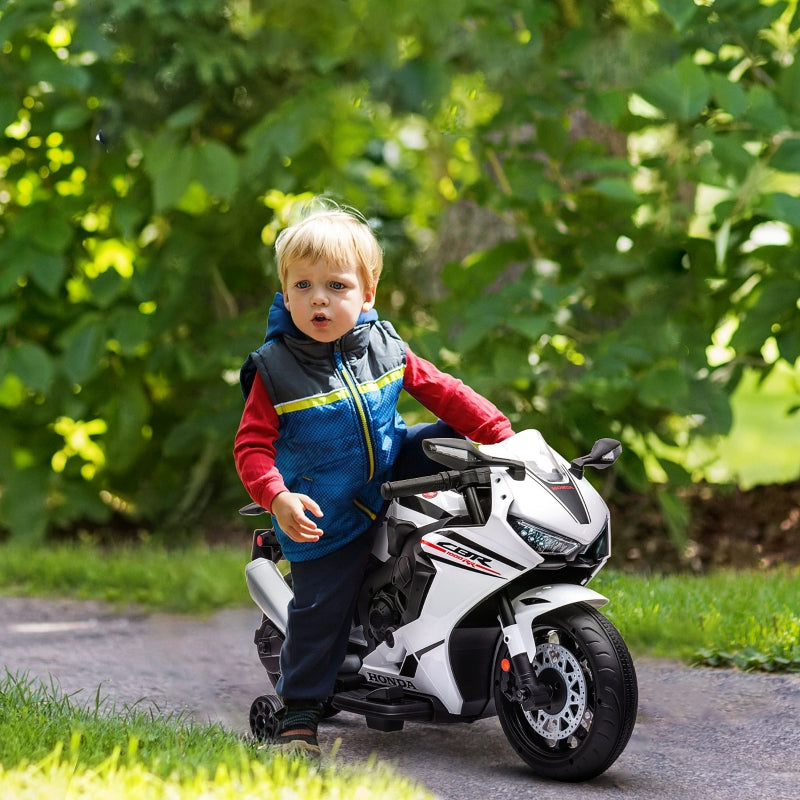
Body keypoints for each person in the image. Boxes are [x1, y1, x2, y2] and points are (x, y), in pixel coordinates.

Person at [234, 203, 513, 759]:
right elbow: (251, 447)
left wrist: (499, 433)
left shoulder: (384, 344)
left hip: (387, 470)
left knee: (454, 440)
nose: (318, 298)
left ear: (367, 292)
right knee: (322, 611)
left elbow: (443, 389)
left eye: (335, 285)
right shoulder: (274, 368)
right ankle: (299, 716)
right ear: (285, 294)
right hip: (326, 510)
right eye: (303, 285)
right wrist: (278, 497)